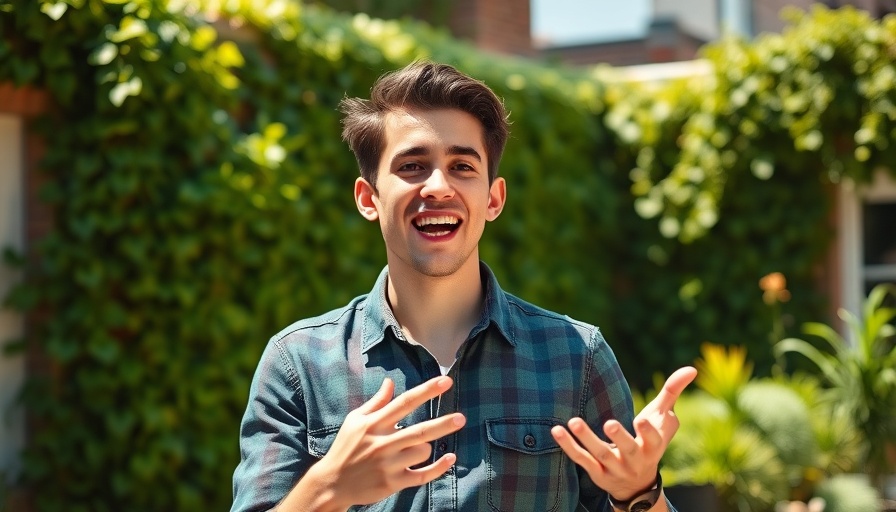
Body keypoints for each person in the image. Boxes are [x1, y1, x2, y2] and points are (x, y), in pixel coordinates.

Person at [231, 60, 697, 512]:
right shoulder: (298, 365)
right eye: (412, 166)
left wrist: (639, 493)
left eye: (462, 166)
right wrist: (328, 487)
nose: (437, 186)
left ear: (493, 199)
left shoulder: (577, 357)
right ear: (368, 198)